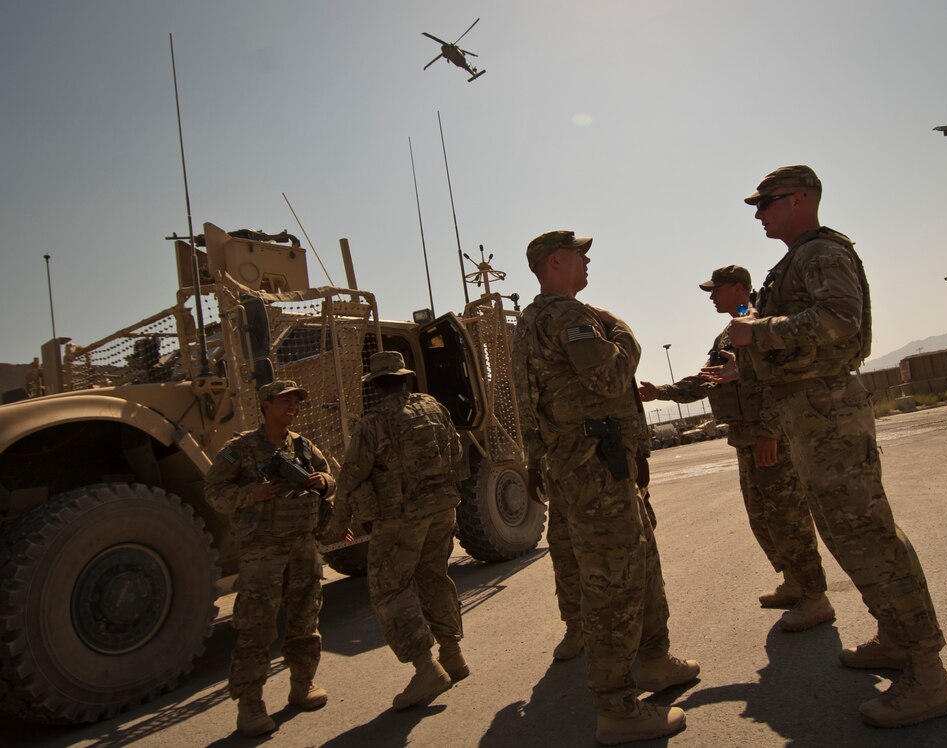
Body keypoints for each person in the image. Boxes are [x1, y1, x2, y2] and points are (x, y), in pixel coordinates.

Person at [718, 165, 947, 728]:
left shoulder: (820, 252)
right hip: (808, 407)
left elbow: (837, 319)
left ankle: (929, 673)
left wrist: (760, 332)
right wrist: (751, 356)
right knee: (842, 529)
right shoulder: (799, 257)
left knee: (866, 531)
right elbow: (805, 329)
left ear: (801, 199)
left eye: (768, 202)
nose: (759, 213)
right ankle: (897, 639)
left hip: (828, 407)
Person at [512, 230, 698, 745]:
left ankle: (655, 660)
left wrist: (537, 461)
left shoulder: (528, 324)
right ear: (556, 261)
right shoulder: (569, 317)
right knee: (614, 578)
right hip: (594, 466)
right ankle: (616, 706)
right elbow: (613, 379)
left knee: (641, 560)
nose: (587, 260)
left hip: (586, 463)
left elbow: (530, 405)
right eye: (580, 253)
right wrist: (625, 334)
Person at [638, 264, 834, 632]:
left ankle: (815, 596)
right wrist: (659, 392)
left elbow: (780, 381)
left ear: (740, 289)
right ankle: (794, 582)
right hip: (746, 438)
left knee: (789, 516)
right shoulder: (730, 334)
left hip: (769, 436)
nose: (711, 296)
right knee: (763, 516)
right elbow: (707, 379)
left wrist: (768, 432)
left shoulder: (764, 323)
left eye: (717, 289)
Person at [332, 350, 467, 711]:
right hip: (442, 509)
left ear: (376, 386)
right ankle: (452, 655)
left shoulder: (373, 422)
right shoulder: (433, 408)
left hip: (401, 517)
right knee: (434, 577)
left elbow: (350, 476)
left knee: (391, 588)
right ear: (405, 379)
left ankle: (426, 669)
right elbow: (455, 451)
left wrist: (338, 520)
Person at [205, 380, 336, 737]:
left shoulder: (303, 446)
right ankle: (250, 705)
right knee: (256, 627)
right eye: (285, 401)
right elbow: (215, 492)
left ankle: (302, 684)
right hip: (263, 549)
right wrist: (253, 493)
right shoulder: (241, 449)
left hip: (303, 546)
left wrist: (323, 482)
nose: (292, 406)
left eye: (297, 400)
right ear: (266, 405)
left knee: (305, 620)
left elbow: (329, 476)